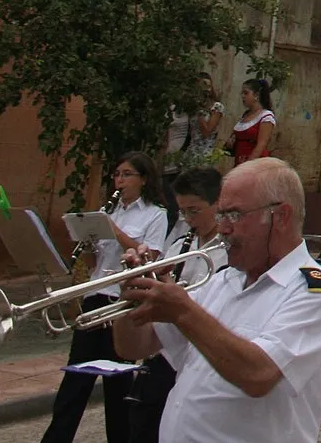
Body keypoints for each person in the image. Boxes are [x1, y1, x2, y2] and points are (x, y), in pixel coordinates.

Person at [110, 159, 321, 443]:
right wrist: (132, 295)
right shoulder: (223, 280)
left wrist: (183, 310)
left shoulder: (313, 292)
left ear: (280, 216)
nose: (222, 229)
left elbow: (258, 375)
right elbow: (134, 346)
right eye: (220, 215)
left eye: (233, 215)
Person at [45, 151, 173, 443]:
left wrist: (114, 231)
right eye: (117, 174)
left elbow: (149, 258)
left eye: (126, 174)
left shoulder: (156, 215)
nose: (119, 180)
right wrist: (87, 243)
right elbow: (93, 265)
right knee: (75, 378)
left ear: (143, 179)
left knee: (118, 385)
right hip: (95, 295)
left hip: (122, 301)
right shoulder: (109, 211)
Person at [127, 167, 225, 443]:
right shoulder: (180, 246)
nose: (187, 219)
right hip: (162, 354)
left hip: (198, 357)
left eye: (194, 210)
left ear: (218, 204)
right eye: (183, 211)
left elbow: (213, 305)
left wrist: (170, 290)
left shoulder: (228, 252)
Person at [226, 79, 277, 163]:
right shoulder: (245, 115)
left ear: (256, 95)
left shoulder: (266, 116)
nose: (243, 96)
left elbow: (261, 144)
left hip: (255, 164)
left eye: (246, 93)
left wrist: (248, 165)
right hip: (239, 161)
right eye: (242, 93)